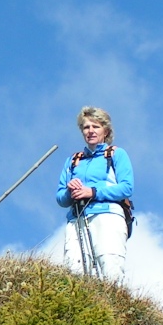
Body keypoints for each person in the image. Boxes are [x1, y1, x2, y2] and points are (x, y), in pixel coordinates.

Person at [55, 106, 134, 281]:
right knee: (73, 270)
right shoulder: (73, 160)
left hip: (108, 215)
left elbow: (126, 188)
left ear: (106, 131)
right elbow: (61, 198)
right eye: (86, 127)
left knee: (110, 266)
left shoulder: (116, 154)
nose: (90, 131)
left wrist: (92, 192)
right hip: (77, 218)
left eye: (96, 126)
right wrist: (70, 191)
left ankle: (113, 299)